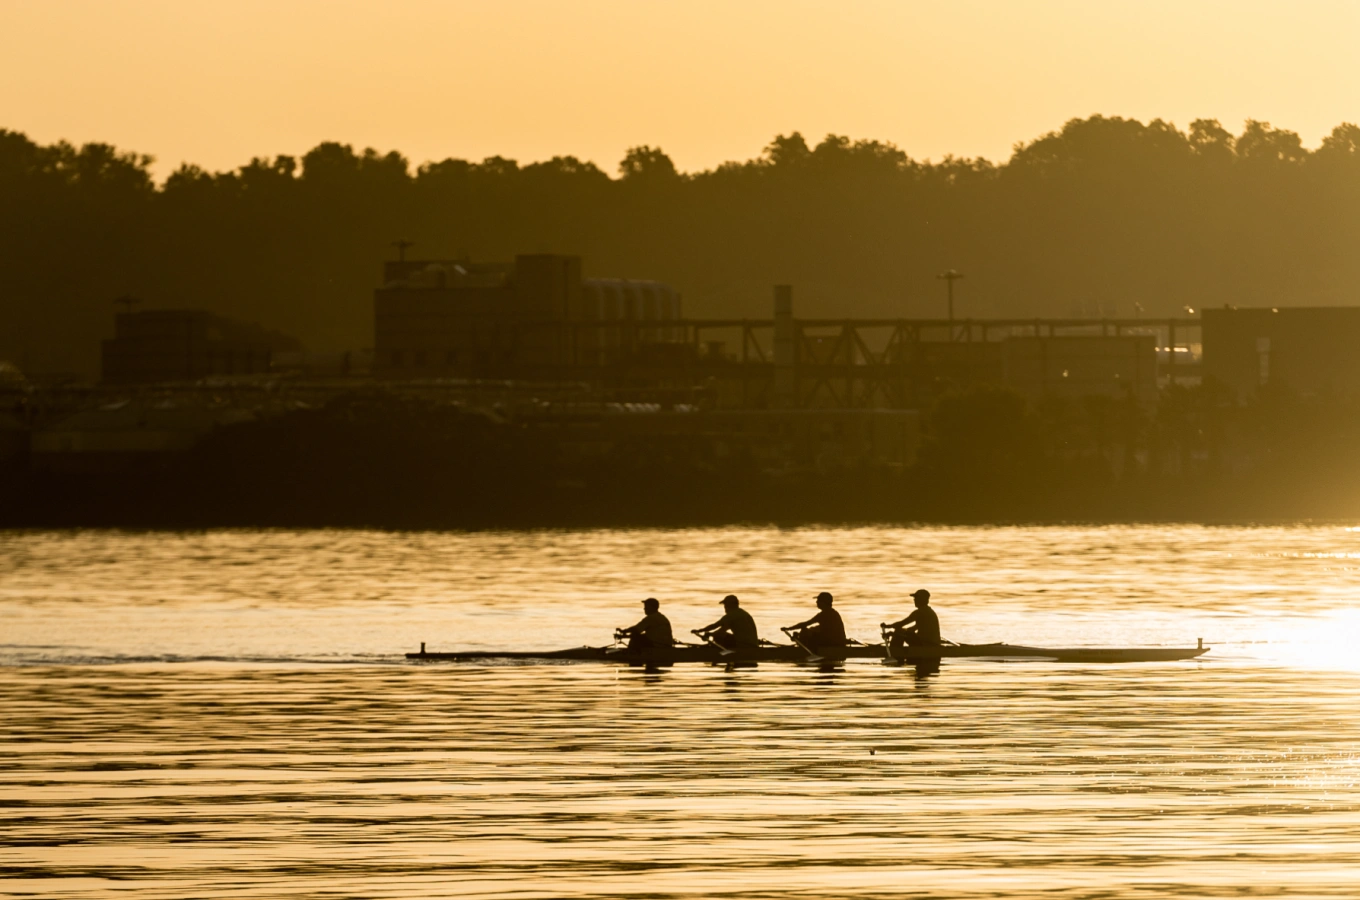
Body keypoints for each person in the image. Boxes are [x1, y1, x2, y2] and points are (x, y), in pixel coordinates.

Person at [693, 594, 760, 651]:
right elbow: (720, 628)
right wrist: (703, 631)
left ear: (731, 605)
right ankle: (721, 650)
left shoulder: (732, 615)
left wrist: (707, 633)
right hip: (752, 644)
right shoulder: (742, 613)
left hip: (744, 646)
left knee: (718, 635)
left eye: (725, 605)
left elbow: (716, 626)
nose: (725, 607)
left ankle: (720, 652)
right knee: (719, 634)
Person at [883, 589, 941, 654]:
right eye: (914, 598)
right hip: (931, 643)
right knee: (902, 631)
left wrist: (887, 627)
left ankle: (894, 652)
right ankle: (895, 651)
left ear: (923, 600)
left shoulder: (919, 612)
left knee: (898, 630)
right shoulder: (929, 612)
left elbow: (901, 624)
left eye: (916, 598)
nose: (914, 600)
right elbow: (913, 628)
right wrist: (894, 633)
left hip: (926, 644)